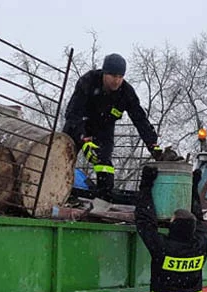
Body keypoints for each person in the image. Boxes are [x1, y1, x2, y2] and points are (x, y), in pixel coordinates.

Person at [63, 54, 162, 202]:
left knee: (104, 164)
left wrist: (152, 143)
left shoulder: (126, 92)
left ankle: (103, 200)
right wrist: (83, 138)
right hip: (80, 124)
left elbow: (139, 119)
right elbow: (72, 113)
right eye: (113, 76)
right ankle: (61, 193)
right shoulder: (88, 81)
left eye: (120, 76)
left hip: (103, 130)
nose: (117, 81)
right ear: (104, 73)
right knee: (63, 155)